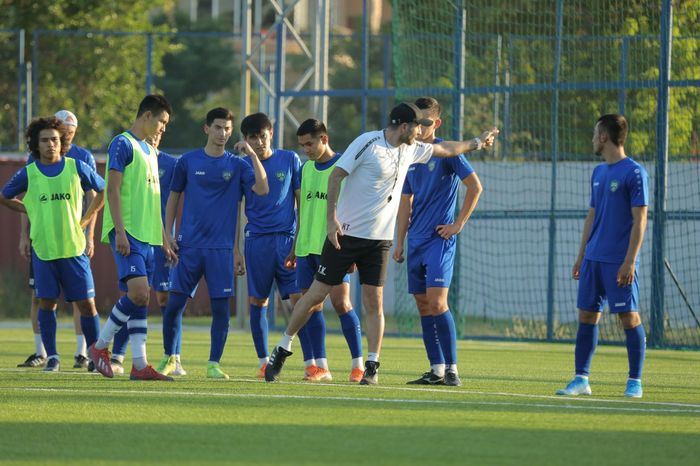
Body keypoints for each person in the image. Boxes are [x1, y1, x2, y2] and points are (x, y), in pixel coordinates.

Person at [265, 102, 498, 384]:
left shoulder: (411, 148)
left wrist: (477, 141)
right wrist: (331, 221)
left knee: (374, 302)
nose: (422, 132)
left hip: (379, 242)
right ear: (404, 126)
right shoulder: (368, 142)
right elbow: (337, 175)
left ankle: (371, 366)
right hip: (347, 236)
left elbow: (447, 149)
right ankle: (283, 347)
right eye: (417, 126)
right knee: (314, 296)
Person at [157, 107, 268, 380]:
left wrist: (252, 154)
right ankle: (170, 358)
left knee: (221, 310)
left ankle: (213, 363)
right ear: (206, 128)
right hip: (188, 247)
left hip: (220, 251)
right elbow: (173, 197)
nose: (223, 133)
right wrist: (168, 234)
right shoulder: (188, 161)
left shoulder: (238, 164)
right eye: (218, 127)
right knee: (173, 306)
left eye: (228, 129)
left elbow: (263, 189)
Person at [0, 116, 105, 372]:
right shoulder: (29, 172)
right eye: (45, 140)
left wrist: (88, 217)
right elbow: (4, 196)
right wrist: (30, 210)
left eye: (55, 140)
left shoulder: (76, 167)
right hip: (44, 252)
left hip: (74, 249)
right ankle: (53, 357)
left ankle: (95, 356)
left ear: (63, 142)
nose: (51, 144)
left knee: (87, 304)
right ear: (36, 144)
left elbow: (103, 190)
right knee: (47, 302)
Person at [556, 114, 648, 398]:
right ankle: (581, 379)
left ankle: (635, 382)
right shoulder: (598, 173)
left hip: (618, 261)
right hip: (593, 259)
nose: (593, 139)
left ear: (605, 137)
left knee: (628, 318)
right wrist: (581, 255)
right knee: (586, 315)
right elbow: (591, 216)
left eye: (596, 134)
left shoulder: (634, 172)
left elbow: (640, 219)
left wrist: (630, 260)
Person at [393, 97, 483, 387]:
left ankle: (453, 368)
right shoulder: (411, 154)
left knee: (438, 302)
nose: (421, 127)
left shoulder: (448, 153)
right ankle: (437, 369)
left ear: (437, 123)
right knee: (422, 305)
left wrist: (458, 224)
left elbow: (474, 186)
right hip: (416, 241)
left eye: (427, 121)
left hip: (439, 240)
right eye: (418, 122)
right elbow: (405, 202)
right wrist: (399, 241)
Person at [89, 94, 176, 381]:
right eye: (161, 121)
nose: (163, 127)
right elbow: (112, 190)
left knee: (141, 298)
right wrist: (121, 233)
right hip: (128, 233)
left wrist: (164, 239)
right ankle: (100, 346)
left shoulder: (151, 151)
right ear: (147, 116)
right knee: (138, 294)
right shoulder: (122, 143)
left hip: (149, 236)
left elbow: (154, 200)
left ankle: (139, 364)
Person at [284, 118, 365, 383]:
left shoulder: (343, 167)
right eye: (302, 145)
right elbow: (304, 211)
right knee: (311, 307)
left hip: (335, 247)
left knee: (342, 303)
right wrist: (296, 247)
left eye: (310, 143)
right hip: (307, 248)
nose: (306, 149)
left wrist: (352, 250)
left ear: (324, 139)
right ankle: (321, 367)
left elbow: (352, 208)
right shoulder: (306, 169)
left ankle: (358, 364)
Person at [109, 130, 185, 376]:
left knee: (163, 298)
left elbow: (172, 201)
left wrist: (169, 237)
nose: (159, 130)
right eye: (159, 123)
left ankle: (172, 357)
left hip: (159, 238)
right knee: (133, 294)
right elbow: (112, 190)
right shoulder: (129, 151)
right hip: (136, 235)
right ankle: (115, 354)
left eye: (165, 126)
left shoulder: (171, 164)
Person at [238, 112, 302, 378]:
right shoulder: (243, 166)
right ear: (245, 139)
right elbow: (260, 190)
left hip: (287, 239)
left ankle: (314, 362)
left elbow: (302, 203)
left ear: (271, 133)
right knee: (258, 300)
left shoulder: (290, 159)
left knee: (302, 300)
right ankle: (264, 361)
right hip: (258, 241)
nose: (258, 142)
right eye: (252, 138)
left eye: (262, 136)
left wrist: (299, 241)